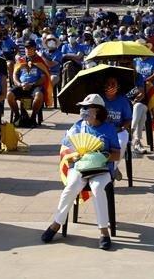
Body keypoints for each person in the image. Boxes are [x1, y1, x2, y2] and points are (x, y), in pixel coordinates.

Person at [40, 94, 121, 249]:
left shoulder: (109, 129)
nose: (83, 111)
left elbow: (116, 153)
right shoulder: (77, 127)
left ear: (98, 111)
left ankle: (104, 231)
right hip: (79, 166)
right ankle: (56, 223)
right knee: (71, 187)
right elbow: (65, 150)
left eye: (86, 108)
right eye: (82, 108)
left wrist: (103, 155)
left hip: (101, 169)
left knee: (98, 188)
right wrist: (72, 156)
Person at [7, 54, 46, 127]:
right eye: (27, 48)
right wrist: (20, 84)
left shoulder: (39, 63)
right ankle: (17, 115)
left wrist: (32, 84)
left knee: (39, 95)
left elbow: (43, 78)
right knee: (9, 94)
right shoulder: (20, 63)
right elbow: (14, 76)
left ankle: (33, 117)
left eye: (31, 48)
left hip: (34, 86)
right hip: (21, 85)